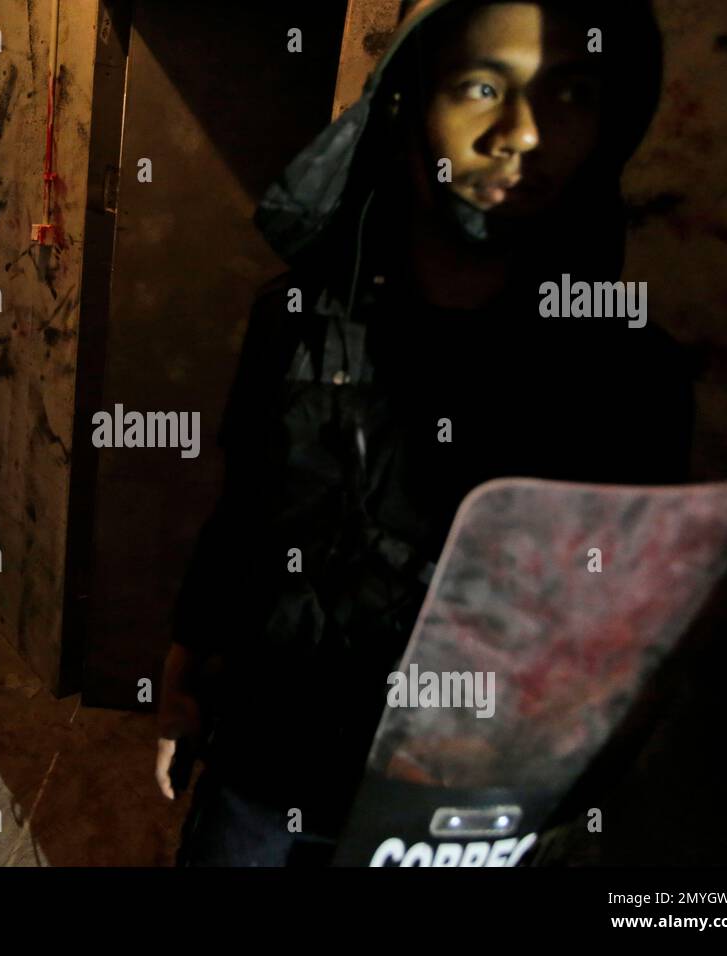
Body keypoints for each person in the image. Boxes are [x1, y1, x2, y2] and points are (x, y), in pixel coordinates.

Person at [156, 0, 693, 865]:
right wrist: (186, 677)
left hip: (454, 809)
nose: (520, 133)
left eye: (572, 92)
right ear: (408, 101)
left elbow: (625, 636)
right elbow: (246, 512)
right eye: (483, 85)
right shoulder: (293, 323)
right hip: (269, 766)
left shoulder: (630, 374)